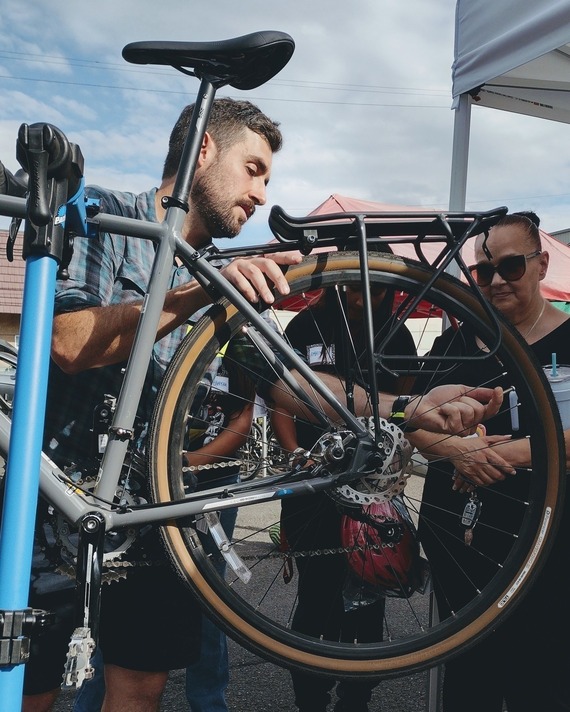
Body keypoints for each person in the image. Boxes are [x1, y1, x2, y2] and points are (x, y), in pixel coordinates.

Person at [12, 94, 501, 712]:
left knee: (139, 690)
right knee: (32, 689)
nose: (263, 193)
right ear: (204, 150)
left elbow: (287, 384)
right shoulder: (108, 217)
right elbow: (68, 341)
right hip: (52, 510)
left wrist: (403, 409)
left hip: (155, 514)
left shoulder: (219, 272)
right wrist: (197, 295)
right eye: (254, 168)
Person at [416, 212, 570, 711]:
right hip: (461, 548)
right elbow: (411, 421)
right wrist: (456, 450)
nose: (497, 281)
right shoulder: (454, 343)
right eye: (484, 272)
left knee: (544, 682)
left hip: (550, 549)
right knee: (468, 685)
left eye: (510, 266)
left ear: (542, 264)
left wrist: (504, 453)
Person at [73, 348, 253, 712]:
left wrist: (181, 465)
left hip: (207, 482)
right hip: (142, 478)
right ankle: (90, 699)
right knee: (113, 589)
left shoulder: (238, 344)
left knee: (208, 598)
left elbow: (243, 418)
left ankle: (208, 702)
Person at [271, 276, 418, 712]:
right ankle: (309, 700)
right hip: (312, 483)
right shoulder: (305, 327)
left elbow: (405, 410)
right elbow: (281, 398)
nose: (360, 298)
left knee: (370, 597)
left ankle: (356, 700)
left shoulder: (400, 334)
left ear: (388, 291)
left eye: (373, 290)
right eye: (353, 288)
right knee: (315, 598)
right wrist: (295, 453)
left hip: (372, 488)